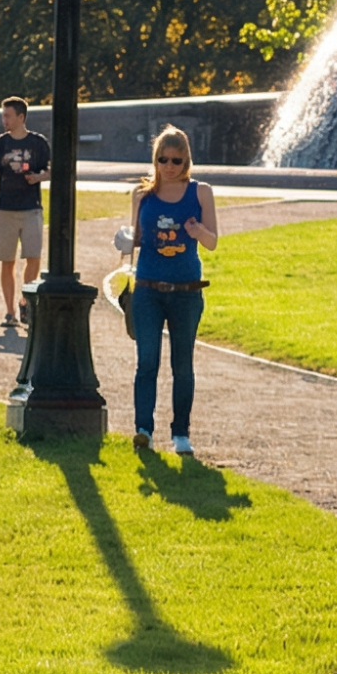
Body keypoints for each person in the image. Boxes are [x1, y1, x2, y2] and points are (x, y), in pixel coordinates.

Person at [127, 128, 218, 457]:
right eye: (163, 159)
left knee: (183, 364)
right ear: (155, 159)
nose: (169, 166)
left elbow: (212, 242)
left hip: (187, 290)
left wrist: (197, 230)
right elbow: (135, 238)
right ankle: (143, 430)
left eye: (176, 160)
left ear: (186, 160)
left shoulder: (201, 192)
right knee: (146, 361)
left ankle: (181, 432)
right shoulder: (142, 195)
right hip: (148, 289)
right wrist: (125, 240)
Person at [0, 97, 50, 327]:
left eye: (8, 116)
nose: (5, 120)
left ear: (21, 117)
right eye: (3, 116)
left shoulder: (38, 142)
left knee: (33, 257)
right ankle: (9, 311)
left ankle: (26, 301)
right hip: (5, 210)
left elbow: (53, 170)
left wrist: (38, 177)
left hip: (32, 208)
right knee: (7, 261)